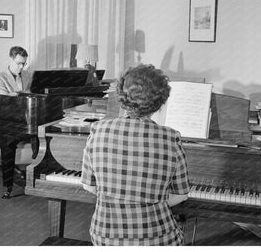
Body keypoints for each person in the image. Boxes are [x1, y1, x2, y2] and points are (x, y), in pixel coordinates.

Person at [81, 64, 190, 246]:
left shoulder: (98, 129)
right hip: (156, 239)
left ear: (122, 96)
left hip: (105, 238)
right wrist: (148, 204)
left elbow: (88, 186)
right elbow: (181, 195)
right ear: (160, 100)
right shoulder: (171, 138)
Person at [0, 46, 33, 199]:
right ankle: (9, 185)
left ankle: (35, 175)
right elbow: (3, 99)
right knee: (8, 144)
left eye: (24, 63)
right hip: (7, 122)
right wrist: (20, 94)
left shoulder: (28, 75)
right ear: (11, 59)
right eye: (19, 63)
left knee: (42, 136)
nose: (22, 67)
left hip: (26, 120)